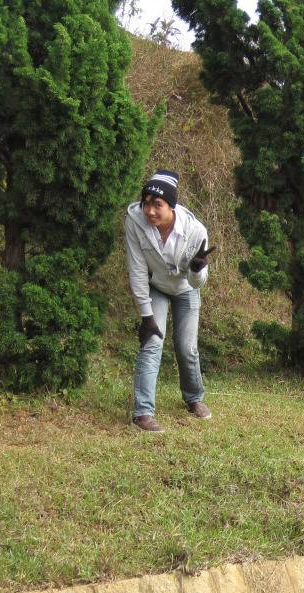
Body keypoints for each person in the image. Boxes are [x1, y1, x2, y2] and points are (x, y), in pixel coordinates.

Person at [125, 170, 213, 432]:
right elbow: (137, 269)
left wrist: (197, 268)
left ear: (171, 206)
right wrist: (146, 316)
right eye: (146, 202)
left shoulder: (196, 231)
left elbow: (198, 283)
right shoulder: (134, 221)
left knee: (186, 348)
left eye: (157, 205)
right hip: (157, 287)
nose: (150, 211)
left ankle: (194, 398)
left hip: (186, 288)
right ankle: (143, 413)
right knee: (153, 341)